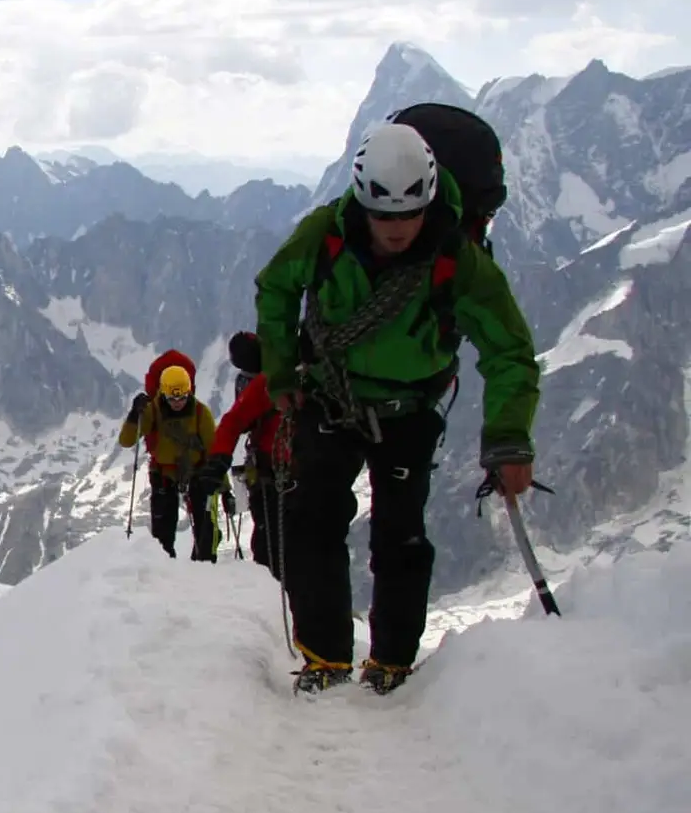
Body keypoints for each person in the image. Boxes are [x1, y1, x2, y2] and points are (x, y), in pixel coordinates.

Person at [256, 120, 538, 695]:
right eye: (385, 217)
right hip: (333, 398)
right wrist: (281, 372)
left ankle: (392, 660)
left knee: (400, 533)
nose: (398, 229)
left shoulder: (456, 258)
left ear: (429, 200)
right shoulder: (327, 233)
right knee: (313, 520)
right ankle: (326, 656)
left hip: (408, 409)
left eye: (409, 215)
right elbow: (277, 287)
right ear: (362, 203)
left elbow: (510, 349)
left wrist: (509, 438)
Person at [201, 331, 285, 578]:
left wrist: (218, 459)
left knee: (269, 548)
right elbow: (235, 421)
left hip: (269, 471)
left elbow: (235, 421)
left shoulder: (264, 382)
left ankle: (272, 597)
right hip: (287, 471)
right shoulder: (278, 376)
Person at [119, 355, 219, 560]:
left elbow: (215, 452)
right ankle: (165, 573)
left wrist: (222, 488)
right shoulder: (152, 411)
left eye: (182, 397)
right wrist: (134, 415)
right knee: (162, 537)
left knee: (206, 532)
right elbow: (127, 440)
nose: (177, 403)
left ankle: (203, 567)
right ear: (162, 393)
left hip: (196, 473)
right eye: (172, 398)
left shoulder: (201, 414)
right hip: (164, 475)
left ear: (189, 392)